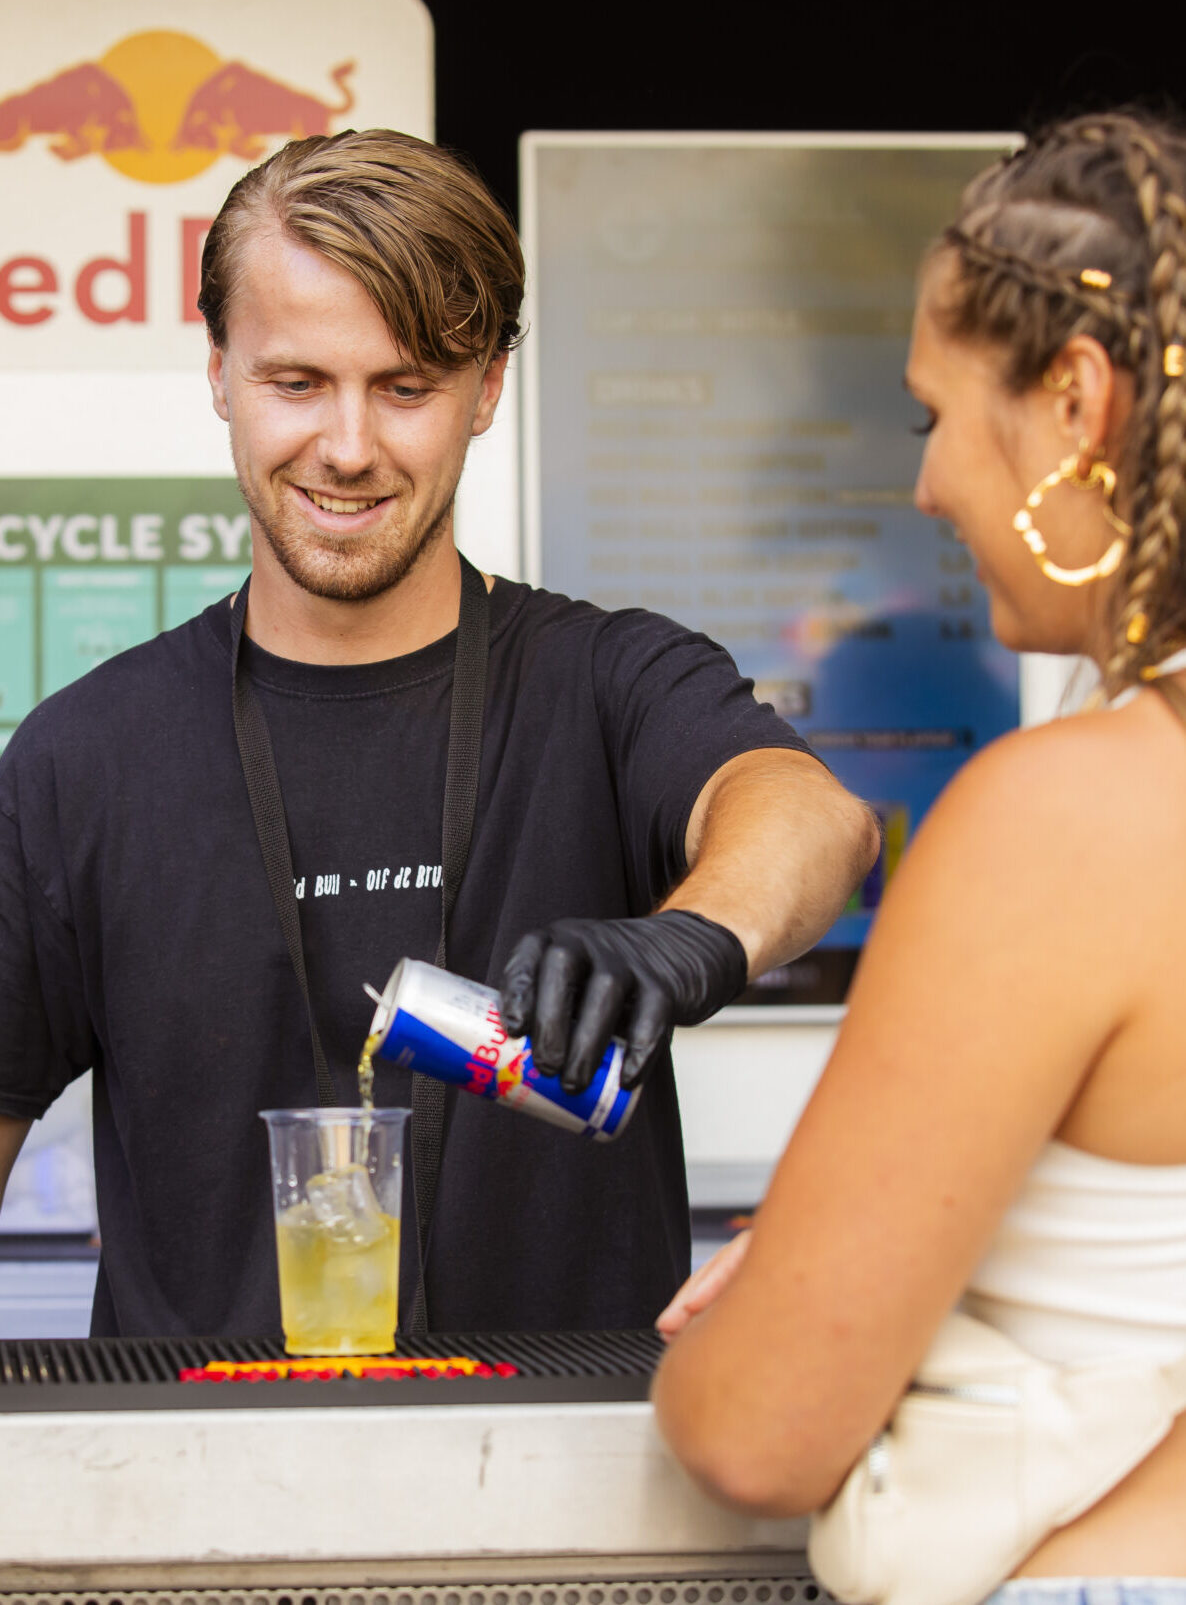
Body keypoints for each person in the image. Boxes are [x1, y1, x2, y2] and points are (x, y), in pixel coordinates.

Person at [0, 129, 878, 1339]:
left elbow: (809, 815)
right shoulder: (80, 761)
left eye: (405, 387)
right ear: (217, 374)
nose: (348, 447)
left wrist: (690, 938)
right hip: (196, 1494)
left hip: (571, 1492)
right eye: (295, 382)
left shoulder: (603, 679)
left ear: (486, 390)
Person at [652, 109, 1186, 1601]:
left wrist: (790, 1285)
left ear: (1076, 400)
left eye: (932, 416)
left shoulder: (1066, 814)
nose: (926, 485)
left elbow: (751, 1428)